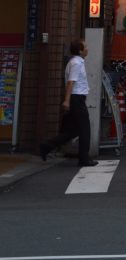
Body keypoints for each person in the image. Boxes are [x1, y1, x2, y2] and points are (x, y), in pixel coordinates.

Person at [40, 39, 98, 167]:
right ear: (80, 50)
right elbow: (71, 82)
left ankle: (47, 146)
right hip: (76, 98)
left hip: (76, 98)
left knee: (73, 131)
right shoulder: (76, 63)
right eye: (85, 47)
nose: (87, 49)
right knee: (84, 129)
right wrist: (66, 100)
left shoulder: (76, 62)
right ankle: (84, 158)